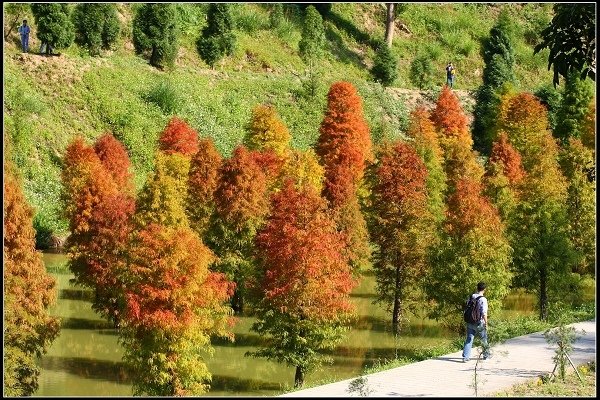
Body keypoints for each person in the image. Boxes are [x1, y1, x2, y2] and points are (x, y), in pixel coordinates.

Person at [462, 281, 489, 362]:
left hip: (470, 321)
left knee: (469, 339)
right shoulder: (483, 299)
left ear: (477, 288)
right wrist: (486, 323)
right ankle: (486, 355)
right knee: (484, 339)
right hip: (479, 322)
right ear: (484, 289)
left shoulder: (471, 296)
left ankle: (465, 357)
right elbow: (484, 313)